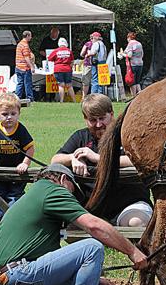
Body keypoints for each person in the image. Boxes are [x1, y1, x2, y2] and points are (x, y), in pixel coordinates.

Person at [0, 164, 148, 285]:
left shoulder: (33, 195)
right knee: (92, 248)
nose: (71, 197)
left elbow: (53, 262)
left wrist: (95, 280)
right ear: (63, 179)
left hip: (2, 282)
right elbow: (94, 226)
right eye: (72, 191)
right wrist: (132, 251)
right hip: (20, 274)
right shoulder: (53, 191)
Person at [51, 94, 153, 226]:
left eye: (102, 118)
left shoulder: (127, 133)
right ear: (85, 119)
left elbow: (141, 160)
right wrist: (73, 158)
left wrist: (99, 158)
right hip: (93, 206)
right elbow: (55, 159)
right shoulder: (81, 136)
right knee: (71, 225)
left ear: (111, 114)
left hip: (130, 202)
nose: (98, 124)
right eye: (92, 120)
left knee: (136, 222)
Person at [0, 92, 35, 221]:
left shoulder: (20, 130)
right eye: (5, 114)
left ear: (18, 114)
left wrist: (25, 164)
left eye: (13, 114)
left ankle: (12, 215)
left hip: (18, 171)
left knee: (15, 194)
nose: (9, 117)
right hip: (0, 169)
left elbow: (30, 148)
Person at [48, 37, 75, 102]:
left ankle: (61, 101)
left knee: (61, 85)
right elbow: (72, 61)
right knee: (69, 85)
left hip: (58, 69)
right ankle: (74, 101)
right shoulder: (69, 51)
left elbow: (49, 59)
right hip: (68, 69)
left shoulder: (56, 51)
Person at [14, 30, 35, 101]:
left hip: (18, 67)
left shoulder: (19, 44)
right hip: (24, 68)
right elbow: (26, 58)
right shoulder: (25, 45)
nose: (31, 37)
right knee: (28, 84)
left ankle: (16, 98)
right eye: (30, 36)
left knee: (20, 83)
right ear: (27, 36)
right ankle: (30, 99)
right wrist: (32, 67)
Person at [123, 31, 143, 96]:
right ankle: (140, 95)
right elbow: (142, 54)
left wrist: (122, 54)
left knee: (132, 82)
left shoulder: (130, 44)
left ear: (129, 37)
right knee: (138, 81)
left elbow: (129, 55)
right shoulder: (139, 44)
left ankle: (133, 96)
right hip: (140, 64)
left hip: (133, 64)